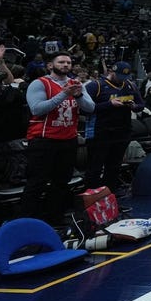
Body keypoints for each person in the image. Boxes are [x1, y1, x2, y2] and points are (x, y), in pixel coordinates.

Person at [21, 52, 96, 224]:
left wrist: (77, 95)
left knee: (61, 183)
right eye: (61, 62)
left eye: (68, 62)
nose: (65, 65)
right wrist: (64, 94)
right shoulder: (39, 83)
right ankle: (26, 222)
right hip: (43, 139)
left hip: (68, 140)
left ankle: (55, 218)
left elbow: (90, 108)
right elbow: (37, 109)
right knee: (36, 183)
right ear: (50, 65)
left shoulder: (76, 84)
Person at [83, 61, 144, 195]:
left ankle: (110, 196)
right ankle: (91, 198)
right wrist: (109, 104)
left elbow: (141, 104)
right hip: (100, 132)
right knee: (95, 168)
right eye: (120, 76)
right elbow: (85, 109)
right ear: (111, 72)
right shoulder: (96, 86)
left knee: (114, 167)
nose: (122, 80)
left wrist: (134, 106)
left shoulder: (130, 85)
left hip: (122, 132)